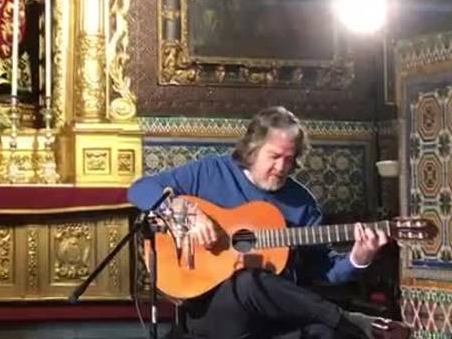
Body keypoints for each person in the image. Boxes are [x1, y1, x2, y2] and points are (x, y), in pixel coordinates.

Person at [128, 107, 411, 339]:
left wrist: (359, 257)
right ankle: (349, 319)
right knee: (248, 281)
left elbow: (323, 270)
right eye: (274, 157)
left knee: (324, 333)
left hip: (273, 315)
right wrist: (181, 209)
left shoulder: (302, 203)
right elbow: (139, 189)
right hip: (210, 310)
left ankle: (341, 323)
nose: (281, 167)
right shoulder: (211, 171)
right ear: (252, 149)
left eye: (290, 159)